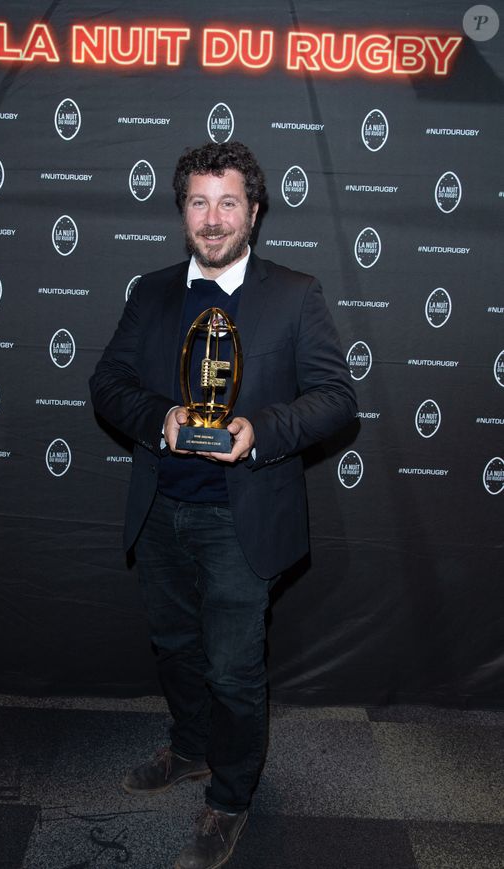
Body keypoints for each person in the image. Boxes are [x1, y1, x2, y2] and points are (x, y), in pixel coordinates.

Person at [90, 141, 356, 869]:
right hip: (162, 508)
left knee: (235, 668)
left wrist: (259, 430)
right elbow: (107, 383)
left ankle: (231, 797)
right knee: (175, 647)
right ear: (182, 211)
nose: (213, 219)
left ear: (254, 212)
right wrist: (160, 419)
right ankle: (192, 748)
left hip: (244, 520)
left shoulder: (295, 293)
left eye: (228, 202)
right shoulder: (149, 292)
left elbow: (338, 398)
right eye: (199, 203)